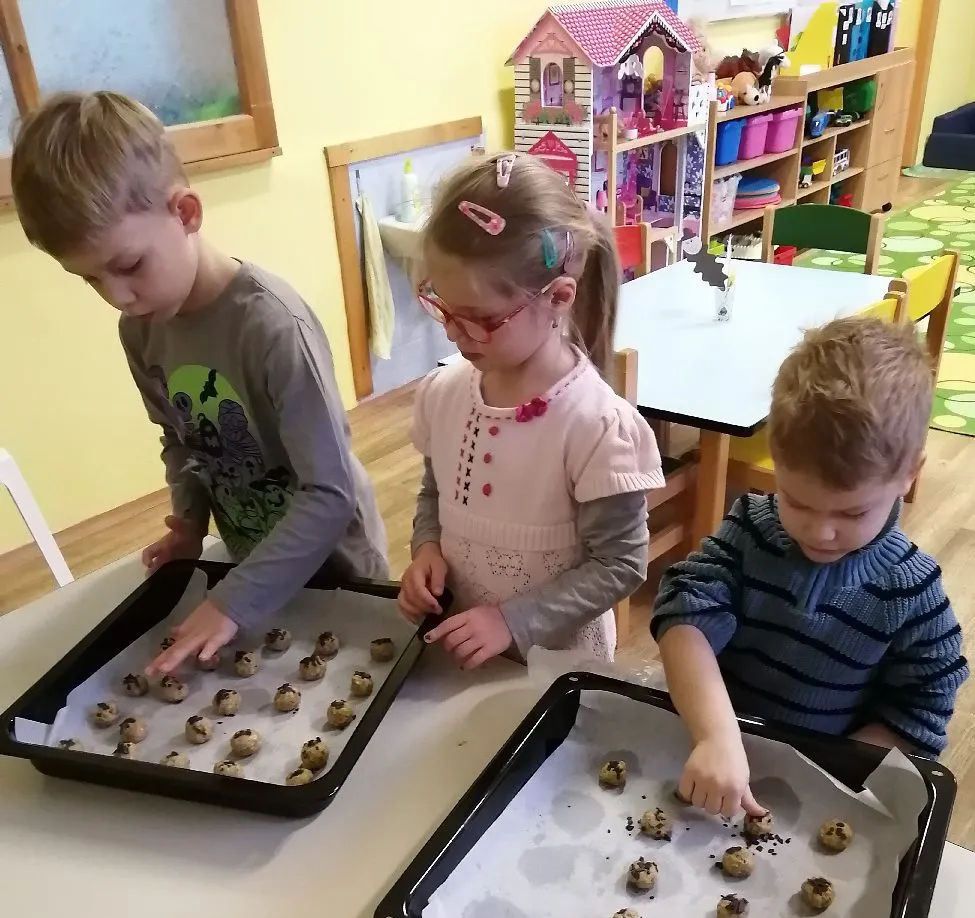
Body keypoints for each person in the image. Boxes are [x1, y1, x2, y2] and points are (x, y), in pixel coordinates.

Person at [11, 91, 387, 676]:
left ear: (185, 213)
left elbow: (330, 493)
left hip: (337, 572)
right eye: (90, 279)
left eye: (128, 266)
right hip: (248, 568)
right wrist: (189, 522)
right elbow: (182, 440)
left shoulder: (272, 327)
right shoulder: (141, 331)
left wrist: (231, 603)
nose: (117, 296)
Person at [652, 315, 968, 816]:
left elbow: (920, 712)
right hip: (706, 753)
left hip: (813, 794)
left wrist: (816, 773)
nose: (820, 532)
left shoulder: (912, 594)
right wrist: (716, 735)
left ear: (909, 474)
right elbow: (683, 613)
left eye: (852, 513)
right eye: (797, 501)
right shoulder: (751, 529)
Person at [397, 151, 663, 667]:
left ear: (559, 298)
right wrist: (426, 547)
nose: (453, 332)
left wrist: (513, 621)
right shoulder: (444, 393)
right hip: (464, 650)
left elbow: (619, 564)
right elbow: (435, 493)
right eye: (441, 305)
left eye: (479, 318)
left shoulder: (594, 426)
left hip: (556, 667)